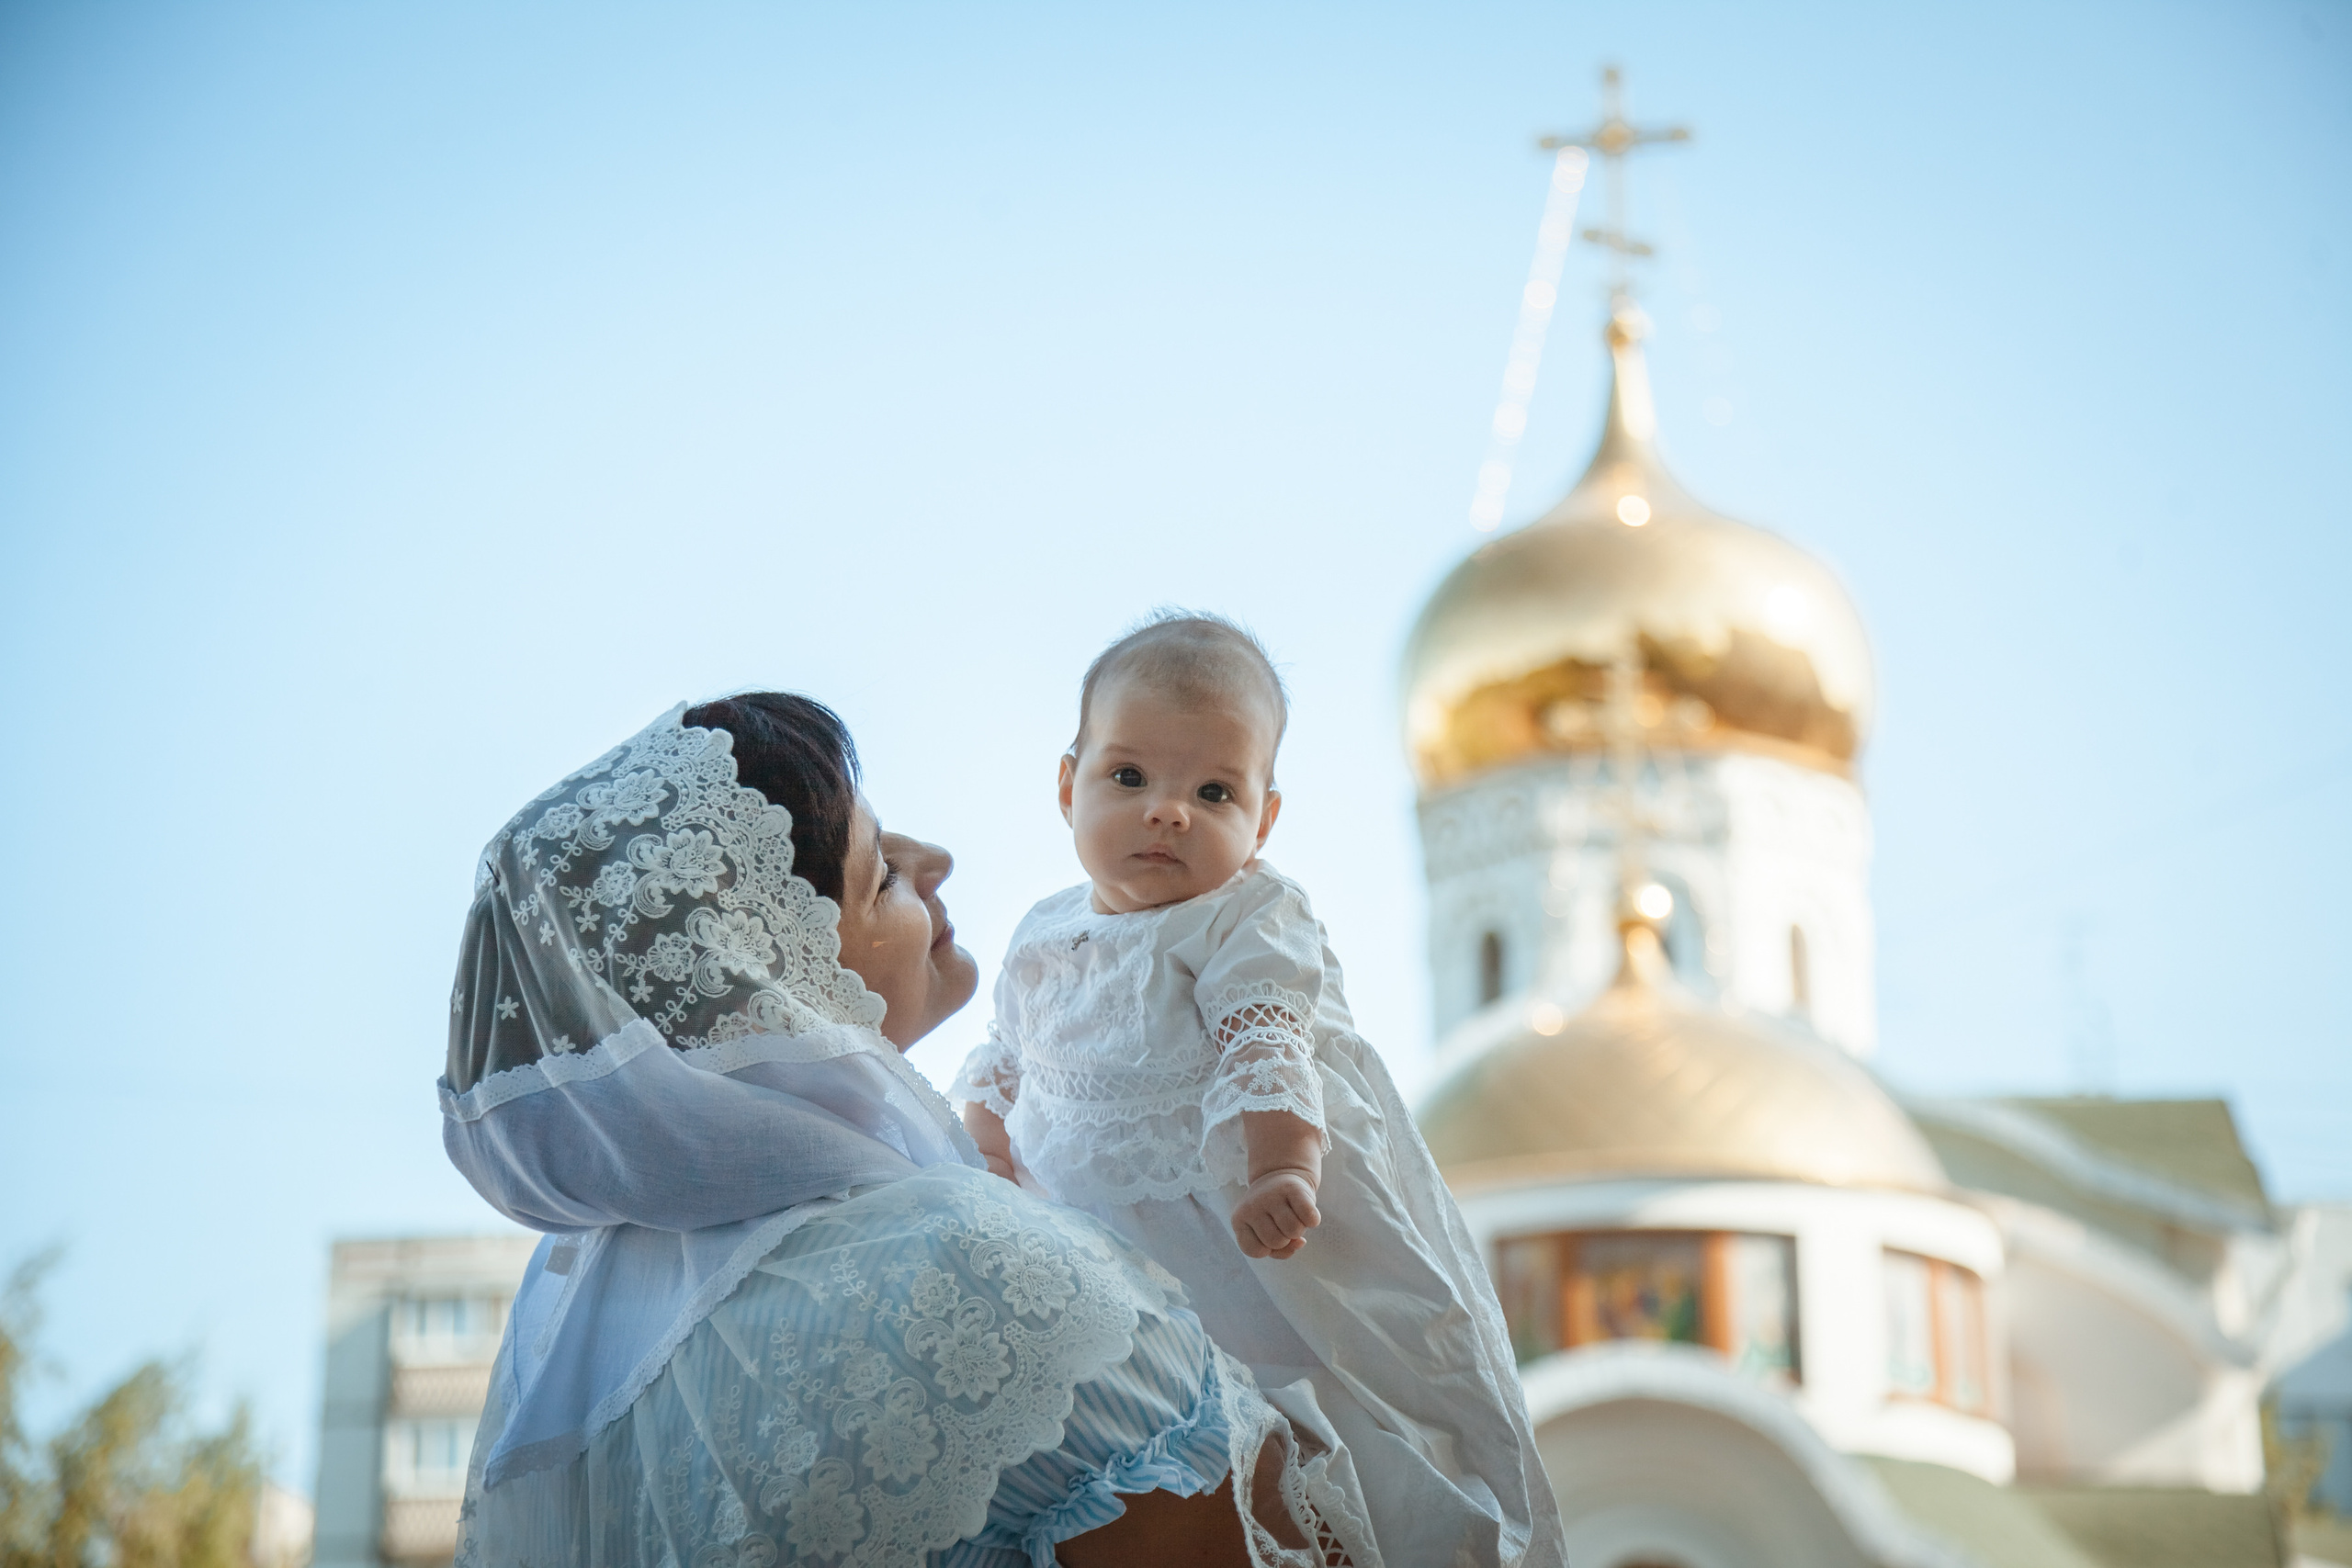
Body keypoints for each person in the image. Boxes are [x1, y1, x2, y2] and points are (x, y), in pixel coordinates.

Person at [440, 694, 1378, 1568]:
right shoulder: (971, 1273)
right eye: (881, 871)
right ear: (767, 983)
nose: (933, 861)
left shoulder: (559, 1367)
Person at [954, 615, 1566, 1568]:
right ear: (1067, 785)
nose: (1168, 811)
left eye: (1213, 791)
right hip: (1094, 1226)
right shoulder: (1043, 931)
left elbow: (1267, 1038)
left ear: (1263, 819)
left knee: (1279, 1400)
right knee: (1120, 1417)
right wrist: (986, 1145)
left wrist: (1281, 1164)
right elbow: (1006, 1055)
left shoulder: (1244, 914)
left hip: (1233, 1221)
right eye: (1129, 778)